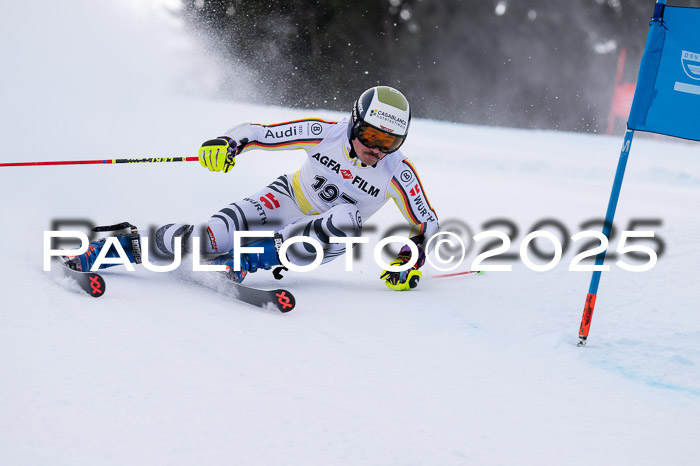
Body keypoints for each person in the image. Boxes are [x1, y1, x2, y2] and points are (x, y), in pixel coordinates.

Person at [65, 86, 439, 290]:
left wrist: (412, 258)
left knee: (348, 217)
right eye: (371, 136)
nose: (376, 149)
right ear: (355, 123)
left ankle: (255, 257)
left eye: (388, 142)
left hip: (324, 240)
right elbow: (257, 134)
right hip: (283, 200)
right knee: (208, 237)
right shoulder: (326, 132)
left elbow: (427, 222)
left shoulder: (397, 172)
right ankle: (113, 250)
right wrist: (225, 143)